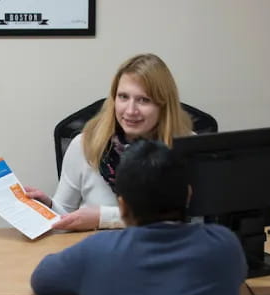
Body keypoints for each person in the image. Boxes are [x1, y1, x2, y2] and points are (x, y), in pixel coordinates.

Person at [30, 139, 248, 295]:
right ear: (189, 195)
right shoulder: (225, 244)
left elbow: (42, 281)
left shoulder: (96, 252)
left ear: (122, 207)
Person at [26, 53, 193, 231]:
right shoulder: (85, 144)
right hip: (98, 252)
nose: (130, 110)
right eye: (123, 97)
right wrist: (48, 207)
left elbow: (191, 221)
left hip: (159, 254)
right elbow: (64, 219)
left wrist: (103, 218)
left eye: (143, 100)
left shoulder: (188, 146)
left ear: (164, 105)